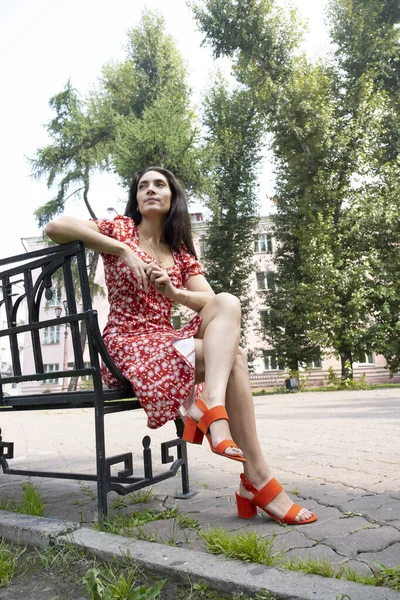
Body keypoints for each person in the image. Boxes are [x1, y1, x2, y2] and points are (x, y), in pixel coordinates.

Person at [45, 166, 317, 525]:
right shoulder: (121, 229)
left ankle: (214, 408)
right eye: (143, 186)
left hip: (164, 337)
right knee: (235, 356)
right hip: (127, 343)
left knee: (229, 301)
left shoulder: (180, 253)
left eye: (159, 185)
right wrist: (122, 250)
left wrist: (173, 293)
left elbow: (212, 302)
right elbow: (54, 228)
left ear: (172, 196)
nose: (150, 190)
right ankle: (256, 476)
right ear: (136, 199)